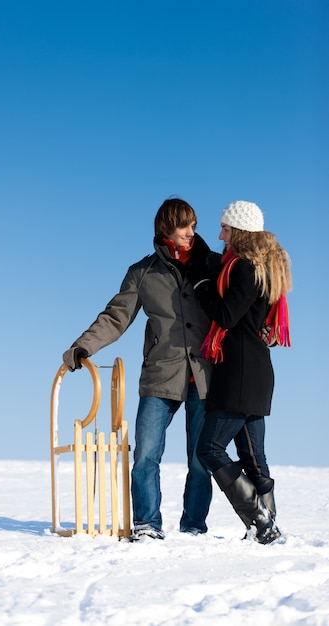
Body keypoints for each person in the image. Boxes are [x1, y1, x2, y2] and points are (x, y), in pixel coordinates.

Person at [62, 198, 213, 540]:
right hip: (161, 376)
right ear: (166, 229)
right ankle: (147, 524)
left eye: (194, 225)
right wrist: (82, 347)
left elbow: (239, 303)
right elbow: (116, 317)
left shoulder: (210, 265)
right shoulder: (143, 272)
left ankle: (193, 527)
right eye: (184, 225)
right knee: (145, 454)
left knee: (202, 459)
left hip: (205, 376)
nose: (192, 232)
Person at [192, 200, 292, 545]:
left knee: (210, 448)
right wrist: (202, 255)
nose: (220, 235)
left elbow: (225, 314)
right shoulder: (262, 267)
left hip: (239, 372)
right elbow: (217, 263)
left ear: (240, 232)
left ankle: (260, 520)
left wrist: (201, 285)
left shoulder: (245, 269)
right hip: (256, 370)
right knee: (252, 455)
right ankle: (269, 527)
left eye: (225, 229)